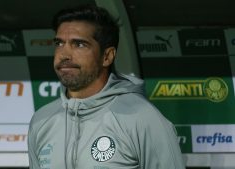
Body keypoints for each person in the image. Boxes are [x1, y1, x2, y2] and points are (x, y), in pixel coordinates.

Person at [28, 4, 185, 169]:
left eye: (79, 44)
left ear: (107, 56)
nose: (64, 54)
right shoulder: (41, 121)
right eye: (59, 43)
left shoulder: (143, 118)